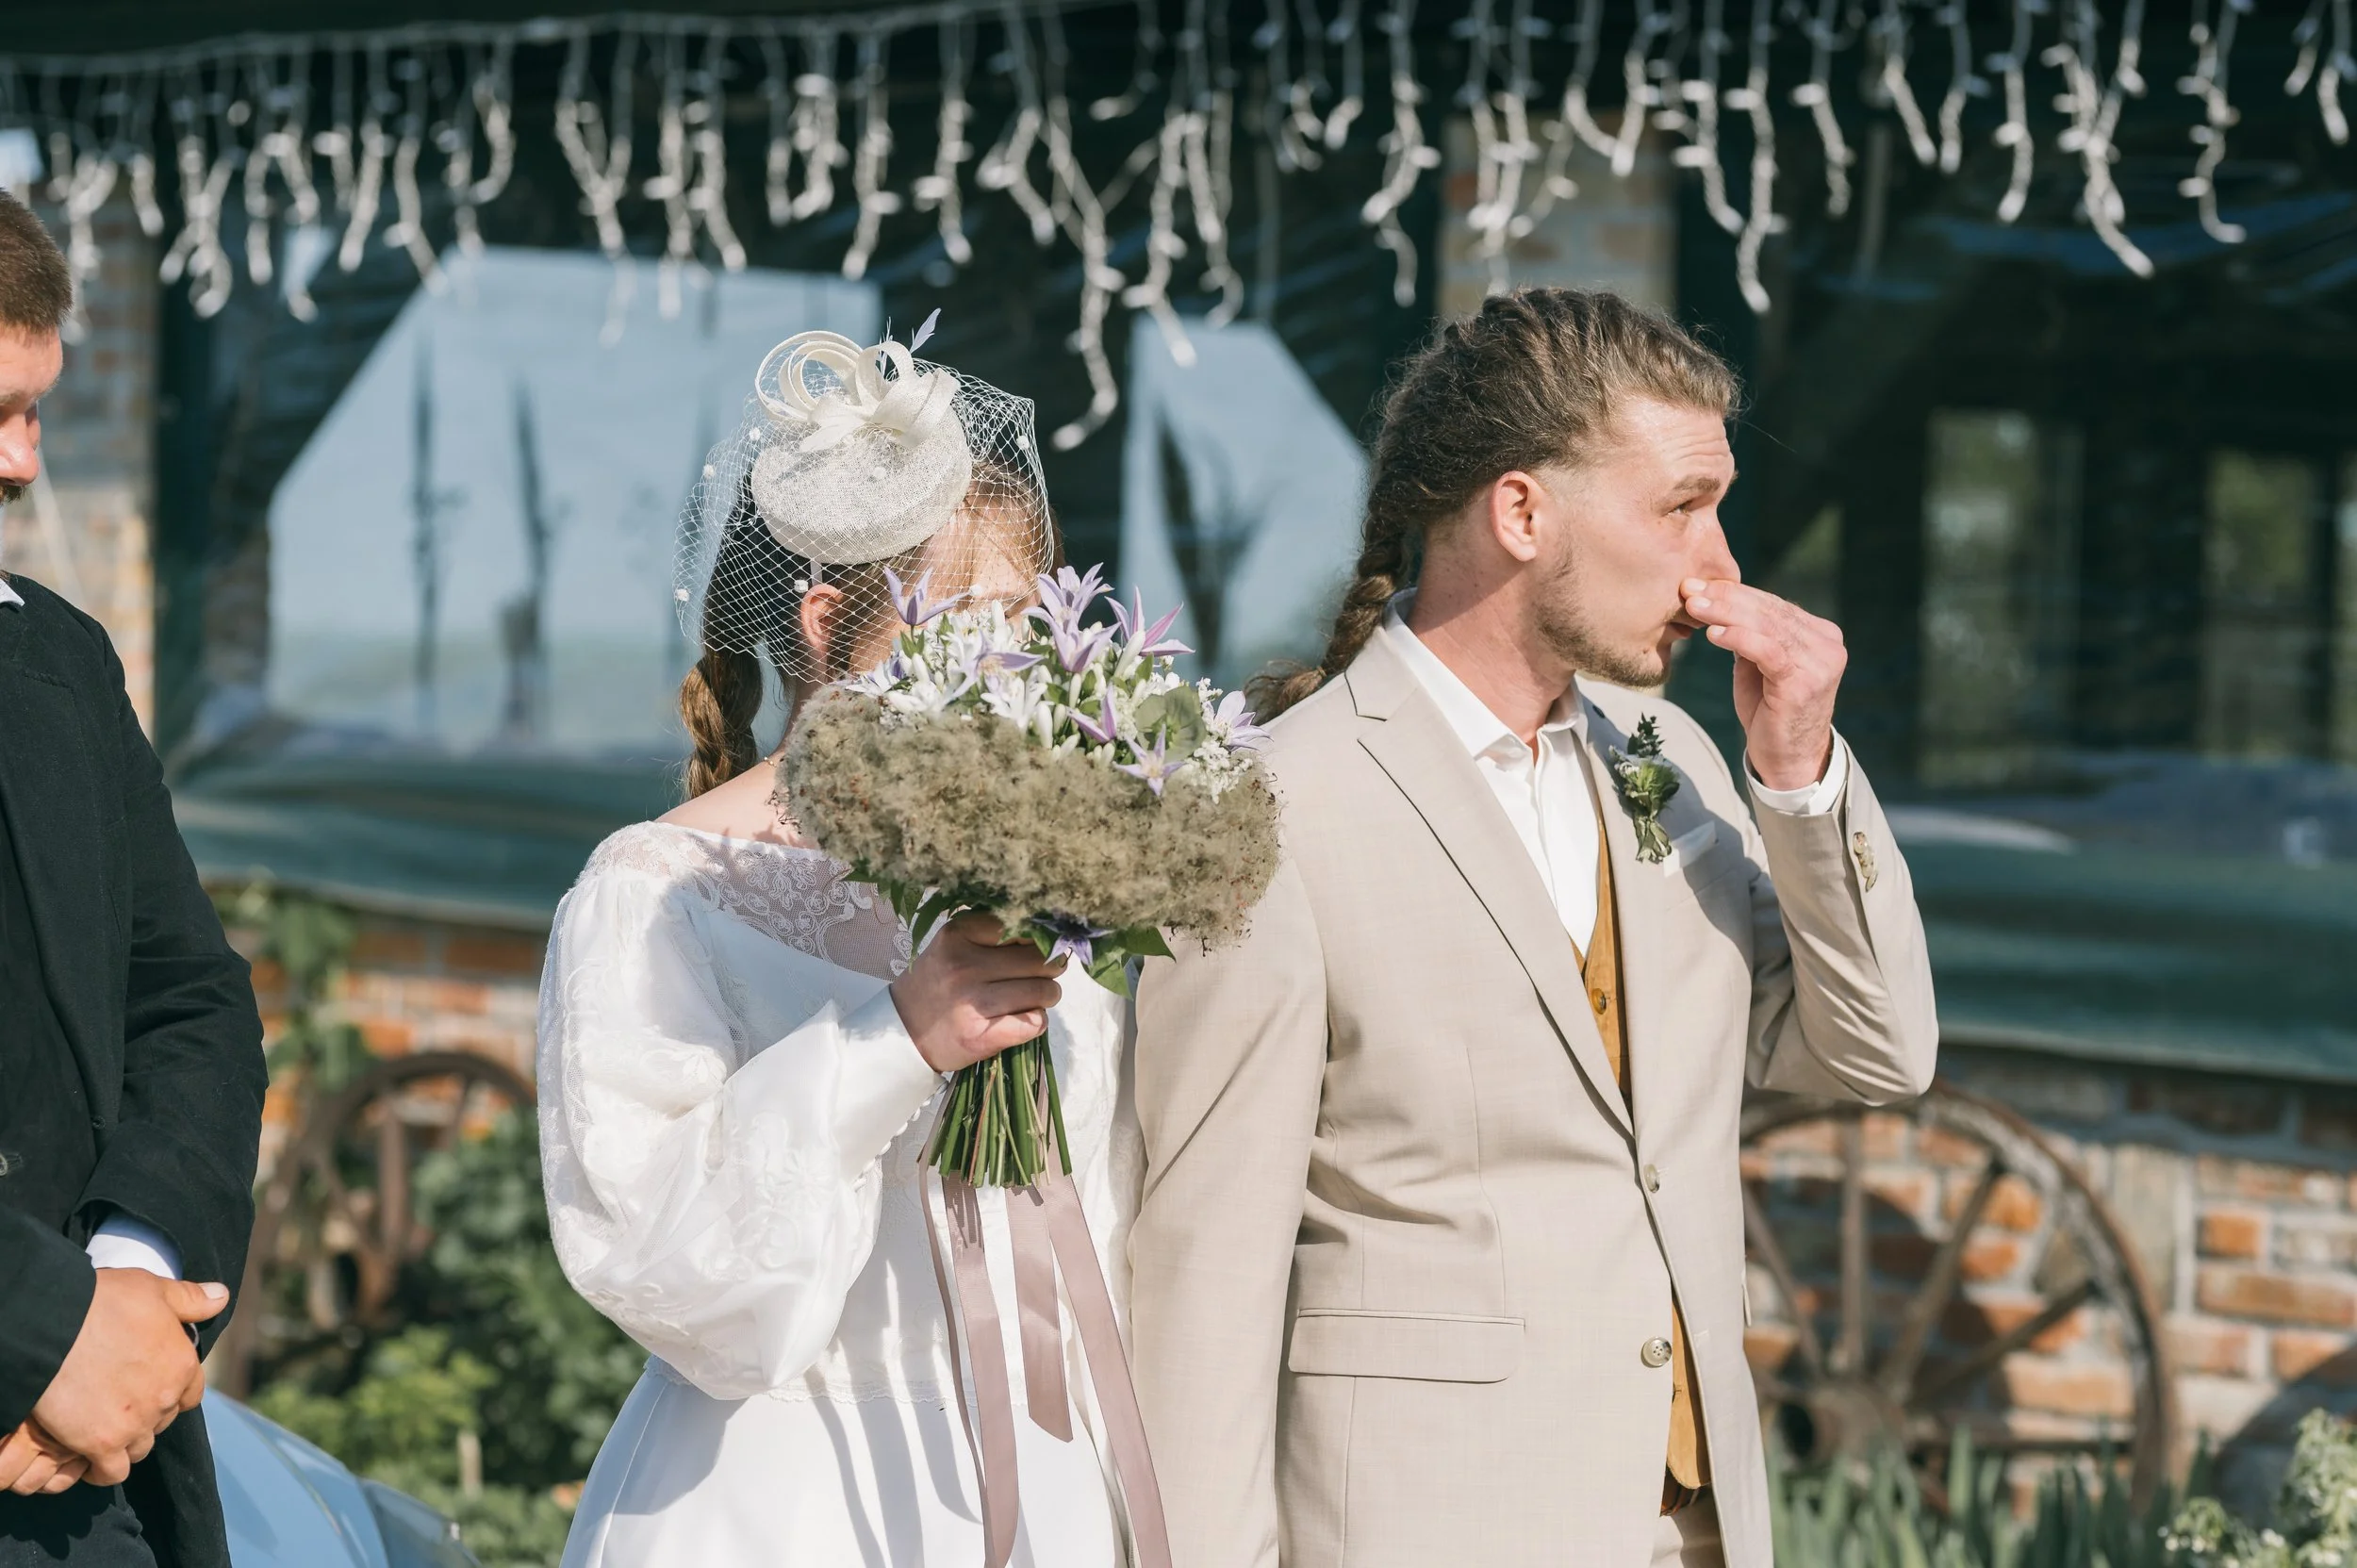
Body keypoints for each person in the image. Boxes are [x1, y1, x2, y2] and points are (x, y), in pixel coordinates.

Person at [1126, 289, 1939, 1568]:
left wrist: (1797, 773)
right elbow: (1202, 1281)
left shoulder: (1676, 762)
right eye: (1680, 507)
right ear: (1521, 513)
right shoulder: (1268, 811)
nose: (1721, 566)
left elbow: (1876, 1051)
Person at [540, 332, 1140, 1566]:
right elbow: (656, 1256)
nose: (1014, 665)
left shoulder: (1051, 869)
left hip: (1049, 1478)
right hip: (786, 1496)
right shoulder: (657, 892)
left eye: (1032, 625)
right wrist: (897, 1038)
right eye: (980, 621)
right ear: (825, 623)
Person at [0, 190, 268, 1567]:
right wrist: (46, 1329)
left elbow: (192, 1002)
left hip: (81, 1494)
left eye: (35, 411)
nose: (24, 462)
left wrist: (133, 1281)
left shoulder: (62, 662)